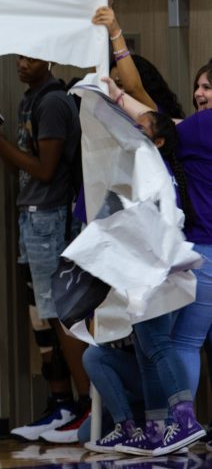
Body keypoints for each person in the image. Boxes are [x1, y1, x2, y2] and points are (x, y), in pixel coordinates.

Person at [0, 55, 89, 443]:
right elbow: (28, 151)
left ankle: (88, 405)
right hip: (31, 217)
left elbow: (44, 169)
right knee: (39, 316)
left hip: (50, 219)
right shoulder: (30, 99)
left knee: (58, 314)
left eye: (30, 57)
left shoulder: (54, 101)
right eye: (18, 56)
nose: (21, 63)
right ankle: (61, 403)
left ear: (49, 58)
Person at [102, 69, 210, 455]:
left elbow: (159, 219)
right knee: (162, 343)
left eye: (207, 86)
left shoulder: (160, 161)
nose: (199, 93)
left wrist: (116, 97)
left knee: (165, 343)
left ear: (158, 139)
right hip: (178, 259)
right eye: (196, 85)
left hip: (171, 261)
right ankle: (160, 426)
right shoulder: (164, 160)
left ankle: (180, 423)